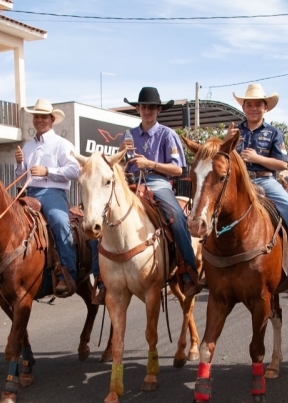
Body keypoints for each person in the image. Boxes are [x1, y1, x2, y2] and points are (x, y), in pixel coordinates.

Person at [112, 87, 201, 297]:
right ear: (138, 109)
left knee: (176, 215)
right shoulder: (129, 135)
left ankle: (187, 270)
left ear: (158, 110)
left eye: (151, 107)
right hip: (131, 183)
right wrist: (121, 153)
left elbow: (178, 169)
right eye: (143, 107)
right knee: (108, 214)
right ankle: (101, 276)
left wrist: (150, 163)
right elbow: (120, 165)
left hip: (159, 182)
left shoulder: (167, 135)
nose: (147, 111)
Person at [14, 98, 96, 297]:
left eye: (43, 117)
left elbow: (74, 170)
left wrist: (47, 171)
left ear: (52, 119)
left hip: (52, 193)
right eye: (36, 117)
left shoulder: (62, 144)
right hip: (28, 193)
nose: (39, 120)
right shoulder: (27, 147)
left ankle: (67, 272)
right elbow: (21, 177)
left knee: (60, 222)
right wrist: (19, 165)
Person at [231, 83, 288, 281]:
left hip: (265, 180)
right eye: (249, 104)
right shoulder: (234, 131)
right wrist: (226, 141)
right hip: (239, 183)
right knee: (214, 206)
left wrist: (258, 158)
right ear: (243, 108)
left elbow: (282, 164)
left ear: (265, 108)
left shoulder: (274, 133)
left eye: (258, 104)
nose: (253, 108)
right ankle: (206, 260)